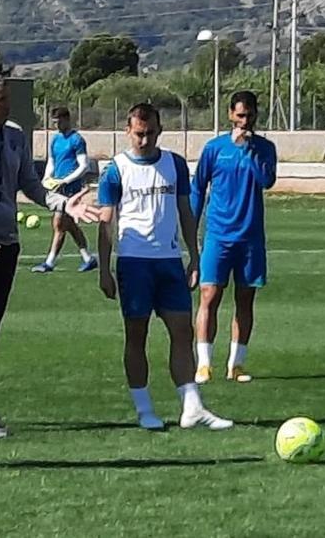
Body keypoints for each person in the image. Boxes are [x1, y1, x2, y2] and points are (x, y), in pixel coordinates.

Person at [0, 72, 99, 438]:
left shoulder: (13, 135)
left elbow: (29, 183)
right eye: (1, 102)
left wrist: (64, 204)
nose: (8, 108)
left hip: (8, 241)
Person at [96, 103, 232, 431]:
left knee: (182, 332)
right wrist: (104, 269)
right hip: (134, 263)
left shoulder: (174, 164)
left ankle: (192, 407)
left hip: (169, 262)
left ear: (159, 131)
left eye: (151, 133)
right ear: (128, 131)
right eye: (139, 134)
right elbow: (106, 221)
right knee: (136, 336)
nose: (144, 140)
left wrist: (194, 256)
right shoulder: (115, 170)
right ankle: (144, 410)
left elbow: (185, 211)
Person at [191, 91, 278, 384]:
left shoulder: (265, 148)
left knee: (245, 299)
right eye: (240, 115)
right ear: (230, 114)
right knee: (209, 296)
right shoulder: (214, 149)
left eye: (250, 115)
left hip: (250, 236)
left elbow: (266, 180)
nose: (245, 121)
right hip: (218, 234)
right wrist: (191, 229)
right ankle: (204, 364)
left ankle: (236, 364)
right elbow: (198, 187)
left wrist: (249, 151)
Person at [33, 106, 97, 273]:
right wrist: (47, 178)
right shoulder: (55, 139)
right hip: (58, 188)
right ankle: (88, 258)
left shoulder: (76, 140)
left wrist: (66, 180)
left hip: (71, 189)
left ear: (67, 119)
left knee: (59, 224)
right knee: (70, 226)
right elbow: (52, 162)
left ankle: (49, 262)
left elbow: (83, 166)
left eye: (59, 121)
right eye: (54, 122)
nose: (56, 125)